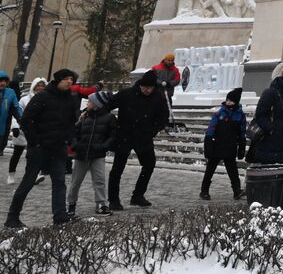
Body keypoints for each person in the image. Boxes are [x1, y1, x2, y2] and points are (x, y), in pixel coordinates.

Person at [5, 68, 79, 229]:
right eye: (66, 79)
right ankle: (12, 217)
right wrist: (35, 142)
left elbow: (72, 122)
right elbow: (26, 119)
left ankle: (60, 216)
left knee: (59, 182)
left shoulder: (70, 99)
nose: (70, 82)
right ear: (58, 80)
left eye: (71, 79)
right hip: (40, 149)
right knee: (28, 182)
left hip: (58, 148)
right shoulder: (42, 97)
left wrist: (69, 140)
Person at [96, 69, 170, 210]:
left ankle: (138, 195)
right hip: (124, 135)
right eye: (145, 87)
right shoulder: (127, 94)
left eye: (150, 88)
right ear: (140, 85)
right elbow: (108, 106)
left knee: (149, 165)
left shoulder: (158, 98)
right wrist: (95, 114)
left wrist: (153, 130)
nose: (147, 90)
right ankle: (113, 200)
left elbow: (163, 118)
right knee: (117, 169)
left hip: (144, 137)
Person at [250, 64, 283, 208]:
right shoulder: (270, 93)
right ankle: (268, 203)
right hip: (270, 142)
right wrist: (271, 129)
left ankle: (282, 201)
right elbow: (260, 115)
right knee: (271, 173)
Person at [68, 92, 114, 218]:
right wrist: (76, 145)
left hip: (98, 154)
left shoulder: (109, 118)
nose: (87, 103)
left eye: (90, 101)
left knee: (99, 180)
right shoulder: (84, 116)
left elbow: (113, 135)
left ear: (96, 104)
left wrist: (103, 146)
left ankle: (100, 204)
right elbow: (74, 133)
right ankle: (71, 205)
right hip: (82, 154)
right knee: (76, 181)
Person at [200, 88, 247, 201]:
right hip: (217, 145)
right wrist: (208, 144)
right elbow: (211, 129)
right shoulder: (219, 113)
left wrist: (241, 146)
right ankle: (204, 191)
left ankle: (237, 190)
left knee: (233, 171)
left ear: (236, 102)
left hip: (230, 146)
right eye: (227, 100)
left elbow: (242, 132)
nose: (228, 102)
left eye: (231, 101)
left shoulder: (240, 115)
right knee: (210, 170)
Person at [8, 78, 45, 184]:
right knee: (17, 154)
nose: (40, 88)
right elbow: (17, 112)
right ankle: (11, 174)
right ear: (34, 86)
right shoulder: (24, 99)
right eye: (38, 85)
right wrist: (15, 126)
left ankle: (34, 175)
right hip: (23, 130)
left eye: (43, 86)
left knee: (34, 155)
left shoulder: (47, 99)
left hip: (37, 132)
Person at [0, 72, 20, 163]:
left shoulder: (10, 93)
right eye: (0, 81)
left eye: (5, 81)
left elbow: (16, 108)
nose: (2, 83)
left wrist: (22, 120)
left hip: (2, 128)